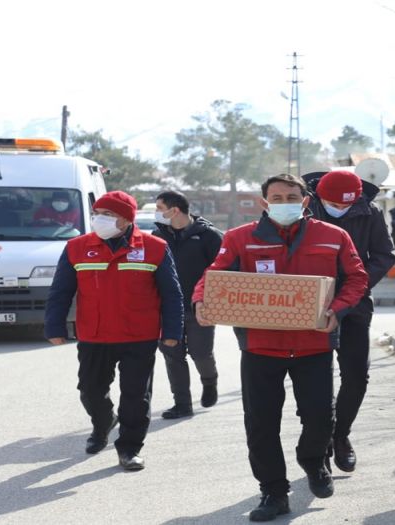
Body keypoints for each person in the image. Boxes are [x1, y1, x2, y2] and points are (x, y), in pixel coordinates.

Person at [192, 174, 368, 522]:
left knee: (319, 417)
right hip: (260, 346)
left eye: (292, 197)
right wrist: (201, 300)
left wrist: (338, 308)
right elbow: (214, 274)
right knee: (261, 424)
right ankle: (273, 491)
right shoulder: (239, 238)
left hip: (313, 344)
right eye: (277, 197)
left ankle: (314, 460)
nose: (285, 202)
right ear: (264, 202)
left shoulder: (334, 236)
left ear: (305, 202)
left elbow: (357, 277)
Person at [44, 190, 184, 471]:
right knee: (90, 390)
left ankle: (130, 448)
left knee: (136, 397)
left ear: (126, 220)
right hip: (95, 335)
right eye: (97, 213)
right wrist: (54, 325)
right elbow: (60, 291)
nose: (99, 219)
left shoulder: (154, 247)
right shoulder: (77, 247)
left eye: (108, 215)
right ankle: (103, 423)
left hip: (139, 335)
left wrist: (172, 330)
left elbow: (172, 294)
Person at [302, 170, 395, 473]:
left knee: (356, 375)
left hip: (354, 305)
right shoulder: (304, 208)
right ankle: (319, 442)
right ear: (319, 197)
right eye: (333, 204)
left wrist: (354, 287)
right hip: (310, 305)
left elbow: (384, 255)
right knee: (316, 379)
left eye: (345, 205)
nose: (339, 210)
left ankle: (340, 434)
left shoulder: (369, 211)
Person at [152, 190, 223, 419]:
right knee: (172, 355)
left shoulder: (209, 236)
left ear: (175, 210)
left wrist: (211, 302)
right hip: (167, 308)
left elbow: (222, 271)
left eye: (160, 208)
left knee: (200, 353)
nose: (157, 213)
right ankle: (182, 403)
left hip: (200, 306)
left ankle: (209, 381)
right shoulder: (157, 236)